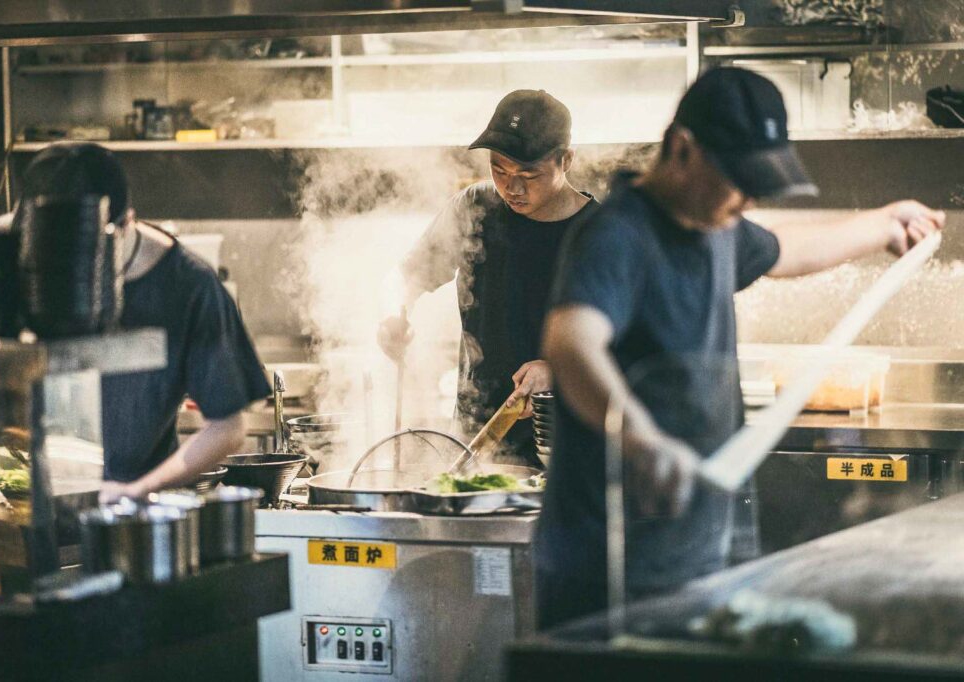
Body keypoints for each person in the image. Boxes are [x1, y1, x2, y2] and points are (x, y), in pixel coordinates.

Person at [535, 67, 945, 629]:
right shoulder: (619, 235)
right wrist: (641, 438)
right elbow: (571, 341)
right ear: (682, 149)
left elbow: (786, 251)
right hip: (610, 559)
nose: (749, 197)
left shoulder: (718, 227)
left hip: (697, 546)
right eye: (738, 178)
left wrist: (884, 225)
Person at [11, 143, 270, 501]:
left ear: (124, 222)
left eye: (87, 252)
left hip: (129, 512)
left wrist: (135, 490)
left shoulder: (189, 287)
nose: (67, 272)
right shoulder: (20, 257)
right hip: (26, 499)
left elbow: (227, 427)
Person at [377, 90, 599, 465]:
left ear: (566, 160)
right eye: (500, 170)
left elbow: (635, 345)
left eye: (529, 175)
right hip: (475, 438)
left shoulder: (601, 232)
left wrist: (558, 371)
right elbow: (408, 275)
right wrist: (395, 315)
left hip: (570, 447)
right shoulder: (474, 208)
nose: (513, 187)